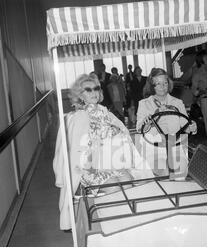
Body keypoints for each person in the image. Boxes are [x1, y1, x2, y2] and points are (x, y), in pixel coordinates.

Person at [53, 73, 152, 230]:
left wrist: (116, 132)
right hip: (90, 168)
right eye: (88, 90)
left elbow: (123, 132)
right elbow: (75, 149)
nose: (93, 92)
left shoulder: (105, 112)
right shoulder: (77, 117)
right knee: (114, 188)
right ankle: (114, 226)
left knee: (128, 182)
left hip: (112, 162)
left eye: (96, 88)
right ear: (80, 95)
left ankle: (131, 224)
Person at [136, 68, 197, 179]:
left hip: (175, 144)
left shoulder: (177, 103)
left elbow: (185, 126)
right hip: (153, 146)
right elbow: (140, 128)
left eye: (165, 83)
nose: (163, 86)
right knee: (164, 172)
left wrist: (192, 127)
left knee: (179, 176)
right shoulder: (144, 104)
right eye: (158, 84)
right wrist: (151, 119)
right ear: (151, 86)